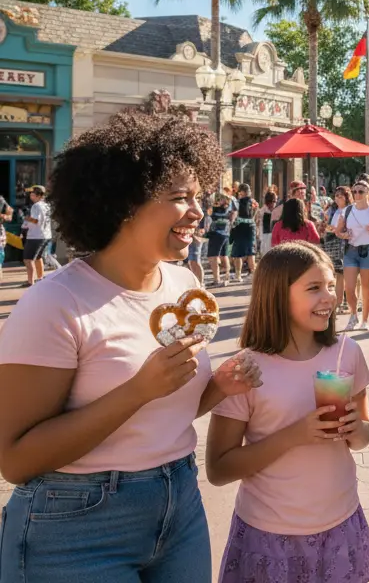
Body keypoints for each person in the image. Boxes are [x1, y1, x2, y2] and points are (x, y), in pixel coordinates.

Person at [0, 110, 261, 581]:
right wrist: (138, 389)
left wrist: (217, 386)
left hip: (179, 500)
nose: (198, 212)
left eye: (197, 196)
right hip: (74, 521)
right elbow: (17, 459)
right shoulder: (53, 304)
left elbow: (160, 414)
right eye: (180, 198)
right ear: (123, 204)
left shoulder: (183, 283)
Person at [207, 241, 369, 582]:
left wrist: (357, 430)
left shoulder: (346, 353)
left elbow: (364, 435)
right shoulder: (246, 369)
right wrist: (294, 436)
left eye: (331, 285)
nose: (329, 296)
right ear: (276, 295)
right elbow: (219, 468)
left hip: (340, 522)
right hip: (269, 534)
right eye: (314, 288)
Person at [333, 181, 369, 332]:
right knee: (349, 288)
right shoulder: (348, 211)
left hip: (368, 250)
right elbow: (337, 231)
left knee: (366, 287)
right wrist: (344, 234)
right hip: (351, 250)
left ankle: (364, 320)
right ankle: (353, 315)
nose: (357, 194)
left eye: (360, 192)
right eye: (355, 191)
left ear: (368, 194)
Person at [21, 184, 50, 285]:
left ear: (38, 195)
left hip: (36, 236)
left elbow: (35, 220)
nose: (30, 196)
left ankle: (30, 282)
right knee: (38, 258)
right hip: (46, 235)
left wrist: (24, 217)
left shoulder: (36, 206)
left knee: (28, 260)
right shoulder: (47, 205)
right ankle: (40, 279)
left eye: (32, 194)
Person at [230, 183, 258, 281]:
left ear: (242, 192)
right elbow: (255, 216)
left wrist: (232, 224)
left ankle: (238, 275)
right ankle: (254, 274)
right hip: (251, 227)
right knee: (251, 252)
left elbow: (235, 215)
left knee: (238, 253)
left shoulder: (238, 202)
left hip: (240, 227)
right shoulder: (254, 202)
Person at [206, 191, 234, 286]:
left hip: (216, 234)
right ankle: (227, 277)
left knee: (212, 257)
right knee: (224, 255)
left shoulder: (215, 209)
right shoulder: (228, 209)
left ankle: (217, 279)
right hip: (225, 234)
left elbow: (208, 210)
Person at [259, 190, 279, 255]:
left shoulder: (276, 211)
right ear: (270, 202)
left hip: (274, 237)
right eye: (275, 201)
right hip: (266, 237)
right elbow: (261, 225)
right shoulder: (263, 211)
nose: (276, 203)